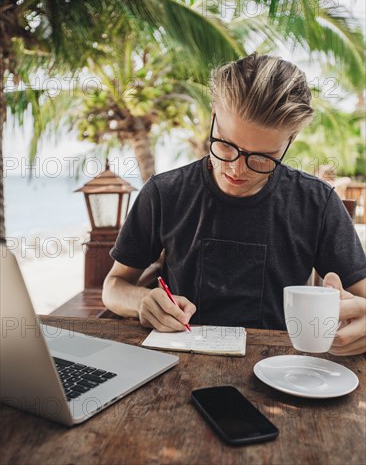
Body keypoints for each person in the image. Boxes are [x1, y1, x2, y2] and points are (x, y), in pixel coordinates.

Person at [102, 53, 366, 356]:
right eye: (225, 145)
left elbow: (362, 301)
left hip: (283, 371)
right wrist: (140, 302)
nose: (236, 169)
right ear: (214, 115)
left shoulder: (316, 203)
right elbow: (113, 286)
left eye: (261, 158)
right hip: (180, 363)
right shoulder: (164, 193)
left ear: (290, 140)